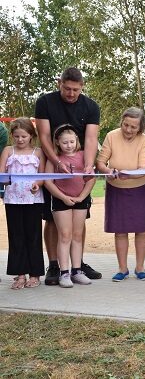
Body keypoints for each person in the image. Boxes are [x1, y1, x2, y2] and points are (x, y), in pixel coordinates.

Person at [35, 67, 101, 285]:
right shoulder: (45, 102)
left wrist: (89, 165)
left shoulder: (91, 106)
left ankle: (77, 264)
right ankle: (54, 265)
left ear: (82, 87)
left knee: (78, 220)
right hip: (53, 161)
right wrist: (56, 161)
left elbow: (91, 139)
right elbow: (43, 135)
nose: (71, 93)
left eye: (75, 90)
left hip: (79, 164)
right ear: (59, 83)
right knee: (53, 219)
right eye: (67, 89)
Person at [96, 107, 145, 282]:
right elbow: (101, 162)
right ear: (121, 122)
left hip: (141, 187)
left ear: (140, 128)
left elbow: (144, 167)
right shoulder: (111, 136)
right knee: (120, 230)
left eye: (133, 127)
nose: (128, 130)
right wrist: (109, 171)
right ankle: (122, 269)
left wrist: (128, 174)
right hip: (117, 188)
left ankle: (140, 267)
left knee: (141, 229)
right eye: (126, 125)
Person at [43, 125, 96, 288]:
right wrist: (63, 197)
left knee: (77, 235)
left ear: (77, 141)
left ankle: (77, 271)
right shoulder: (55, 159)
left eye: (72, 141)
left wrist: (82, 196)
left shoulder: (82, 156)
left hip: (80, 200)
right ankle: (64, 272)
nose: (69, 145)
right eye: (65, 142)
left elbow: (91, 178)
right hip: (61, 201)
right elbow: (47, 181)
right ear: (58, 143)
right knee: (65, 235)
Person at [0, 118, 45, 289]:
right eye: (17, 136)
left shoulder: (38, 152)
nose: (20, 140)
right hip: (12, 200)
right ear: (12, 136)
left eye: (24, 136)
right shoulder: (7, 151)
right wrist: (5, 180)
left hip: (33, 201)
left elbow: (42, 176)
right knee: (16, 237)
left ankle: (35, 274)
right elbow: (2, 174)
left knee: (33, 236)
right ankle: (20, 274)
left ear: (31, 136)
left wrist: (37, 185)